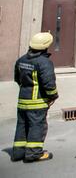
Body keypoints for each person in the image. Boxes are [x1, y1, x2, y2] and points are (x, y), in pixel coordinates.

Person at [12, 32, 59, 163]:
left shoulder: (21, 60)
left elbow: (17, 79)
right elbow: (49, 84)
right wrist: (53, 96)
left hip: (22, 100)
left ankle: (18, 152)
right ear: (45, 47)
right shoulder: (44, 62)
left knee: (22, 125)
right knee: (37, 126)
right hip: (37, 102)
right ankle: (34, 153)